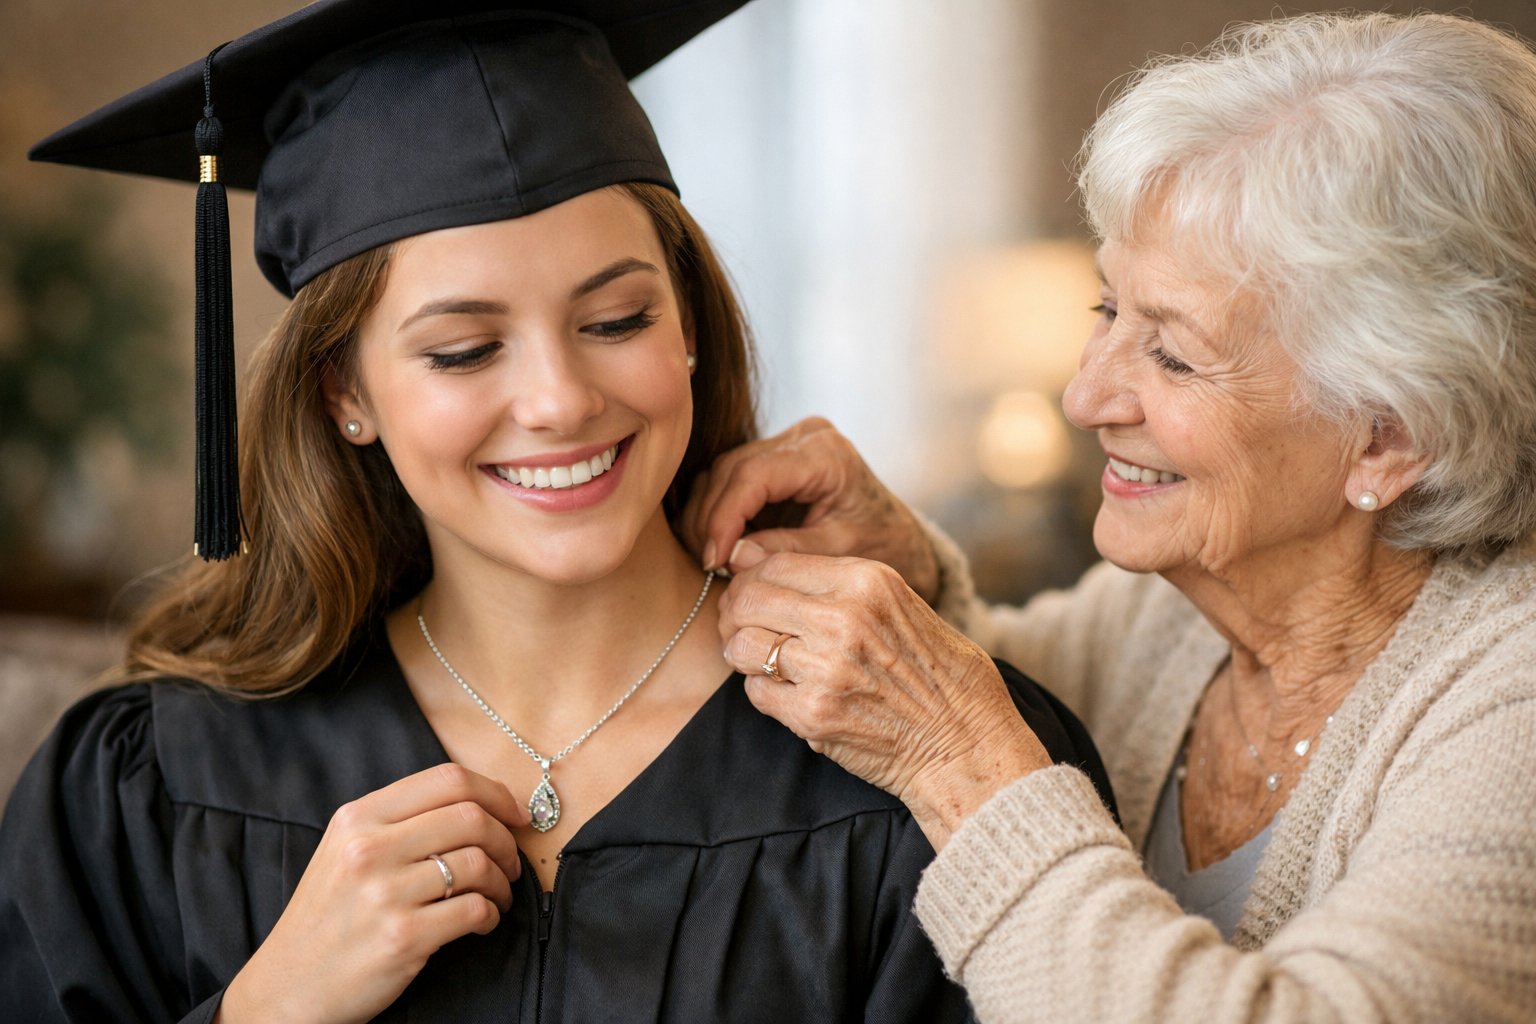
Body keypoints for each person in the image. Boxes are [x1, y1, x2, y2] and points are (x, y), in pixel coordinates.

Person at [0, 2, 1117, 1020]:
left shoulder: (922, 766)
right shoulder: (158, 784)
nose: (561, 400)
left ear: (689, 326)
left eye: (618, 320)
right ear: (346, 393)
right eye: (464, 348)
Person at [688, 11, 1536, 1022]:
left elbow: (986, 745)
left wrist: (956, 764)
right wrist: (911, 572)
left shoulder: (1510, 705)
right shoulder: (1179, 621)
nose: (1085, 398)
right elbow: (1024, 683)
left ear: (1389, 438)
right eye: (1106, 313)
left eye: (1172, 354)